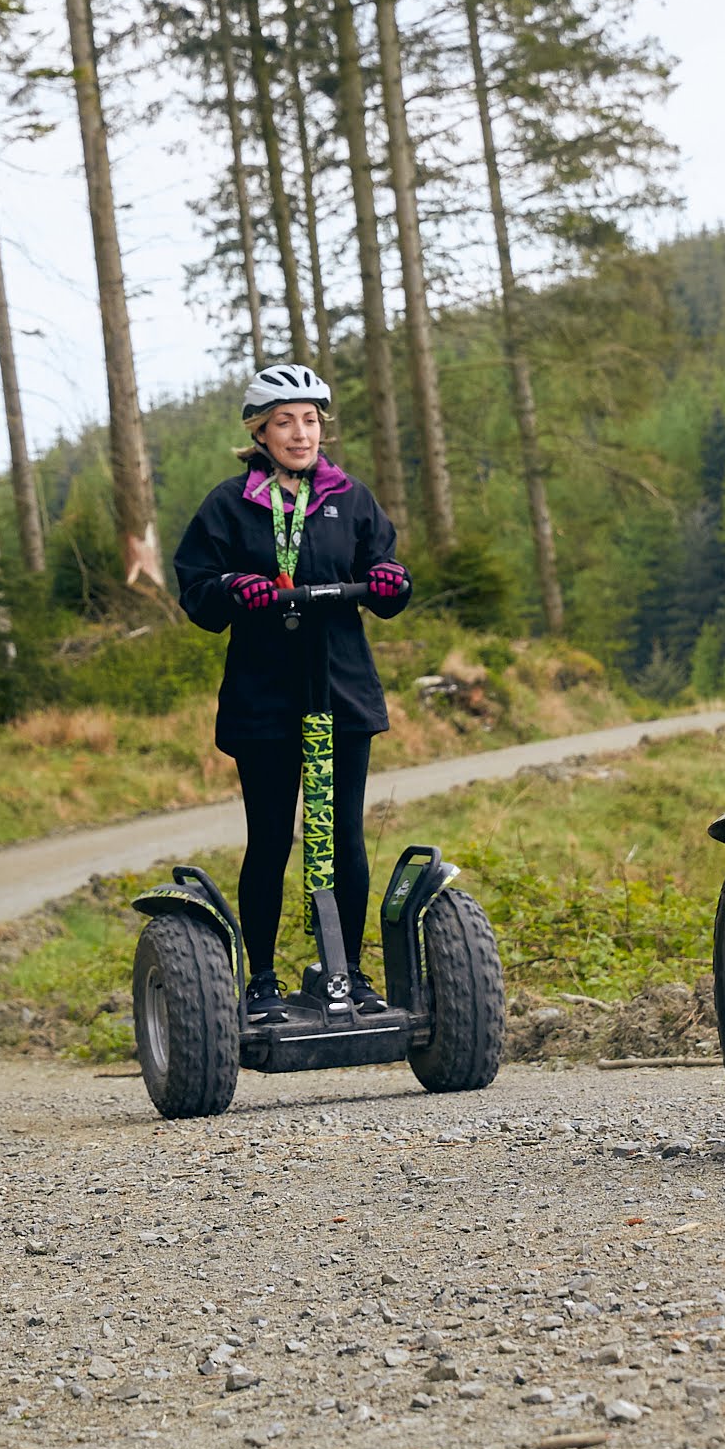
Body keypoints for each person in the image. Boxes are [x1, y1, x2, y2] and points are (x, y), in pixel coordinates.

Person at [171, 363, 411, 1021]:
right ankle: (262, 982)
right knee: (272, 838)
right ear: (260, 432)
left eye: (310, 420)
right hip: (265, 694)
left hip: (341, 688)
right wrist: (230, 588)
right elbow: (196, 587)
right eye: (285, 421)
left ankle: (350, 975)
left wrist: (390, 579)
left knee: (342, 839)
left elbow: (384, 566)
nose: (301, 433)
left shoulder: (350, 498)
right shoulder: (230, 505)